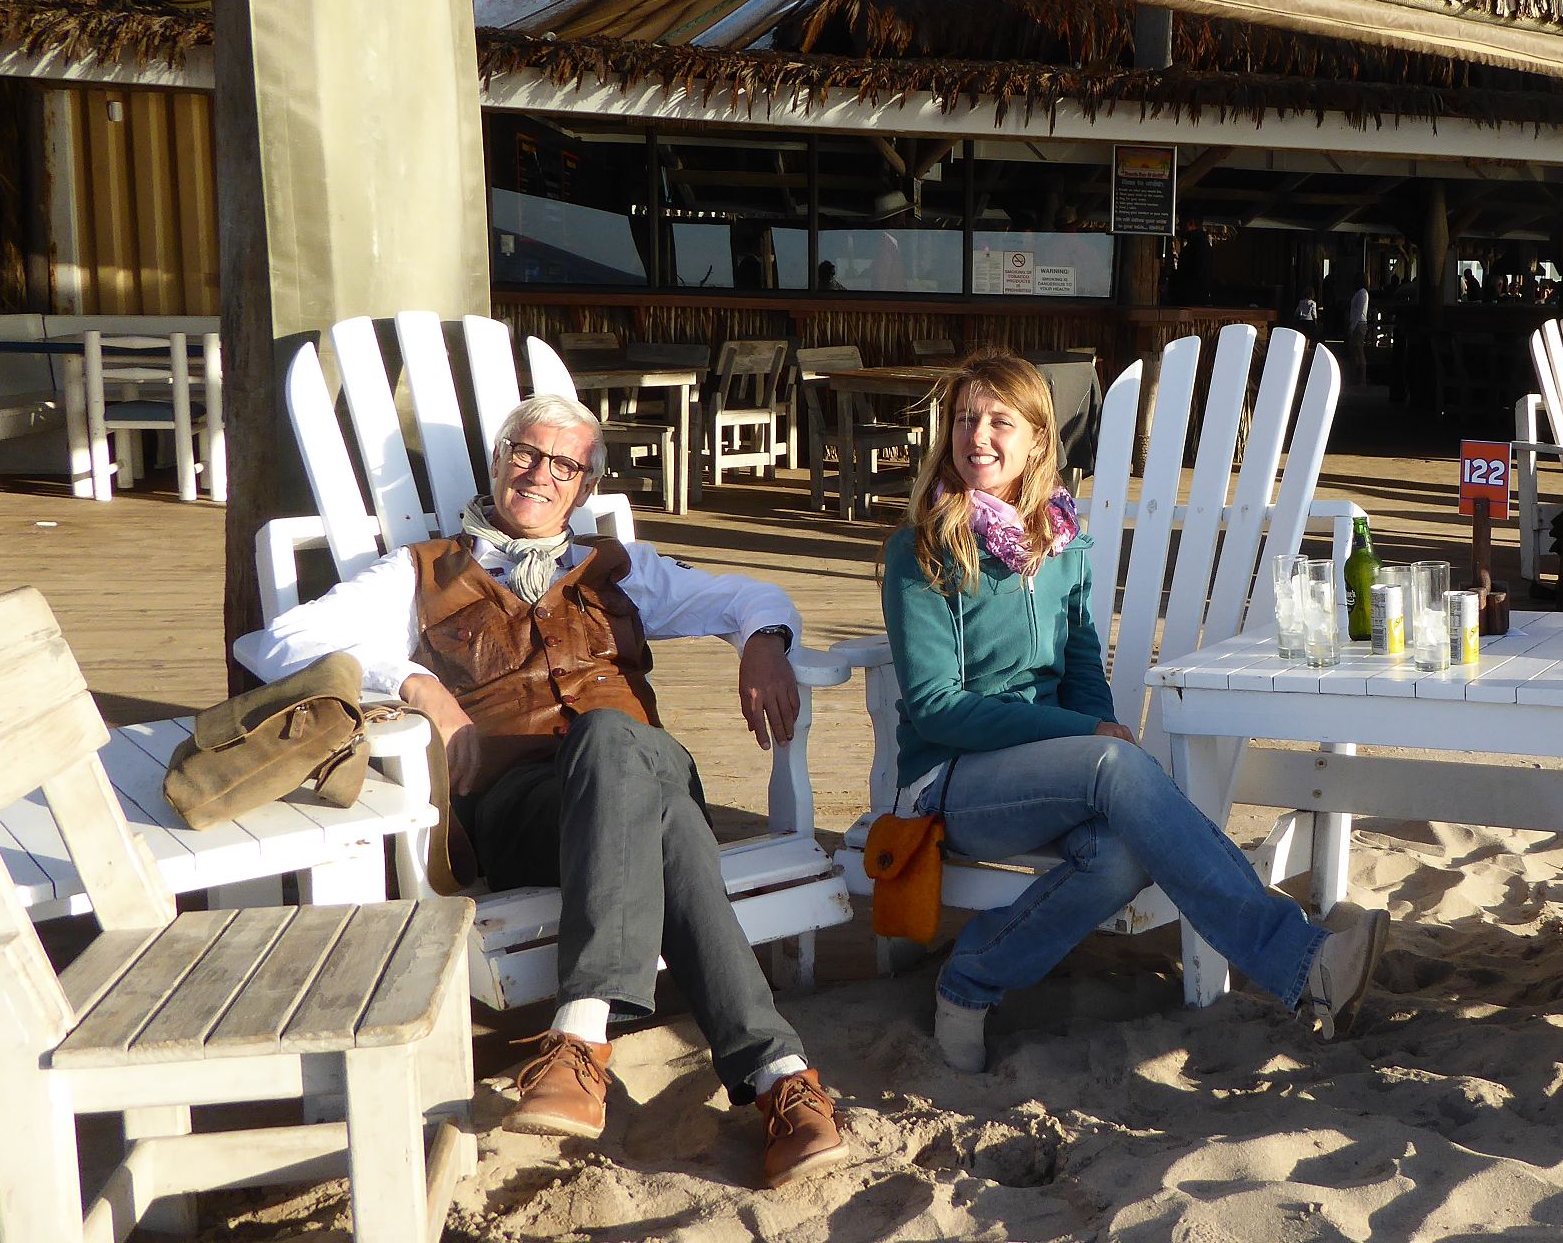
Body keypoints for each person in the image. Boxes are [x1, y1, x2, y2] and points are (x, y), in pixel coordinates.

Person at [233, 394, 849, 1187]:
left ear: (584, 488)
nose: (539, 473)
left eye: (564, 464)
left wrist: (764, 644)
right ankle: (782, 1079)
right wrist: (418, 681)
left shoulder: (616, 568)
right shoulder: (420, 572)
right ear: (497, 462)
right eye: (525, 453)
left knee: (612, 738)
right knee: (673, 828)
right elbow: (278, 641)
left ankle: (582, 1032)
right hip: (526, 812)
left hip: (638, 768)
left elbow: (747, 597)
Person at [880, 351, 1387, 1072]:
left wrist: (1093, 724)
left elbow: (1082, 668)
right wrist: (1085, 735)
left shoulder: (1060, 545)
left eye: (999, 420)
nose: (977, 436)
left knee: (1119, 856)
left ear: (1036, 441)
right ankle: (1302, 963)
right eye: (965, 419)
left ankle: (969, 981)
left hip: (1049, 773)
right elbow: (936, 708)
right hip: (952, 784)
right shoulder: (922, 551)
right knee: (1114, 764)